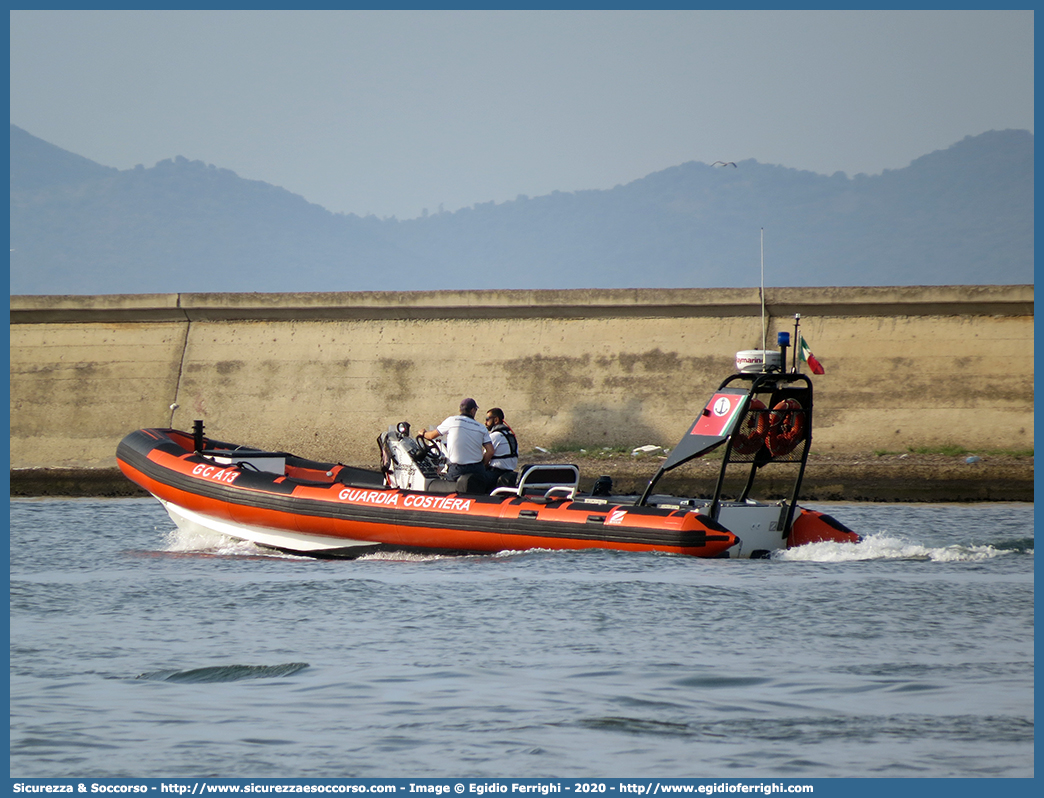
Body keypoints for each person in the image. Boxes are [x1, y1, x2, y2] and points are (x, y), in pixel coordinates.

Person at [420, 398, 493, 481]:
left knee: (449, 489)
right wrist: (482, 465)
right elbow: (490, 451)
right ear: (473, 410)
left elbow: (431, 436)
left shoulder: (451, 420)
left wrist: (423, 433)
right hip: (477, 469)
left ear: (460, 410)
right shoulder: (481, 427)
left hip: (457, 469)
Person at [484, 407, 519, 482]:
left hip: (496, 474)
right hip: (510, 473)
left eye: (487, 419)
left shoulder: (495, 436)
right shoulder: (511, 436)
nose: (485, 423)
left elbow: (486, 458)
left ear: (496, 420)